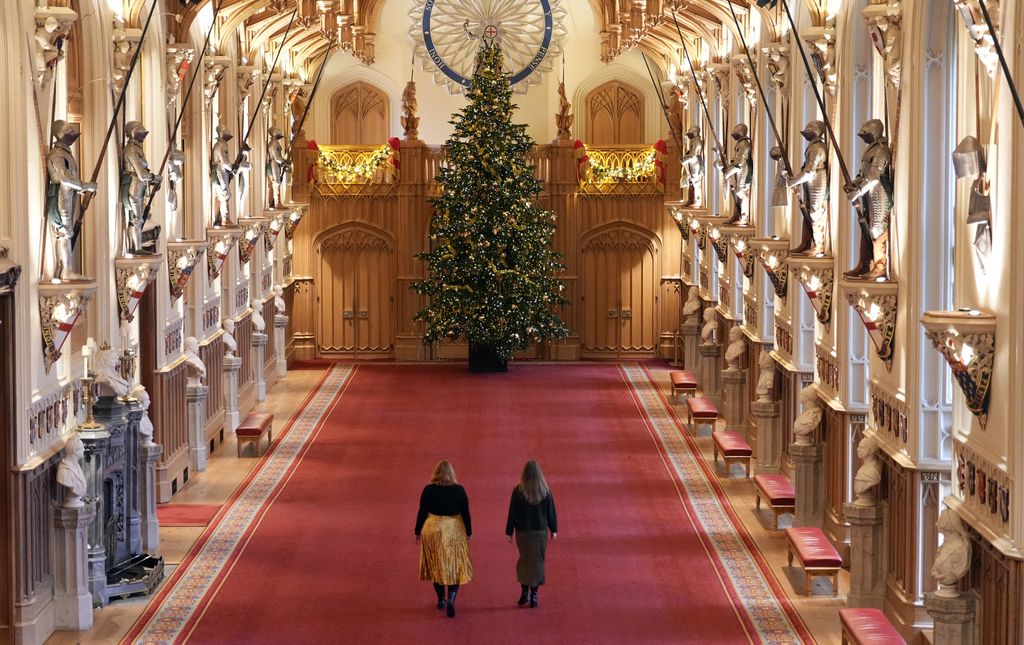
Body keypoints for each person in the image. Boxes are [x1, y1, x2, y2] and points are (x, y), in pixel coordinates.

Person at [415, 460, 473, 617]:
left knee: (436, 565)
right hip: (453, 530)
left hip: (432, 529)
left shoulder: (428, 490)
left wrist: (417, 531)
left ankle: (441, 598)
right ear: (452, 474)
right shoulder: (459, 490)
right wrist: (469, 531)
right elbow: (466, 513)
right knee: (455, 564)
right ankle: (452, 596)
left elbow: (422, 511)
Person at [505, 460, 558, 608]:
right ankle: (534, 594)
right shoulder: (545, 491)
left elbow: (512, 513)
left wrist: (509, 531)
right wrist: (554, 529)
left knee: (525, 560)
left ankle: (524, 591)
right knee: (538, 561)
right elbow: (551, 513)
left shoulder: (518, 491)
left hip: (523, 532)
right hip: (540, 532)